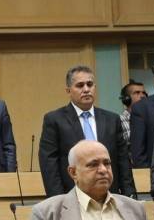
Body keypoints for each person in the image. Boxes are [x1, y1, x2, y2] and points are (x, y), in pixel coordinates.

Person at [39, 65, 134, 198]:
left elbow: (122, 160)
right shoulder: (55, 120)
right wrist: (59, 200)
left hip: (109, 193)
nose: (86, 89)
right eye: (80, 85)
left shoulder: (112, 119)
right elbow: (49, 164)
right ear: (68, 90)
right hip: (72, 195)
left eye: (89, 84)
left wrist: (128, 194)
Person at [119, 80, 147, 146]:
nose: (142, 96)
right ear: (127, 99)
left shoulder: (151, 117)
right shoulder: (119, 120)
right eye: (137, 93)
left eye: (144, 93)